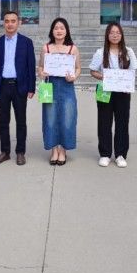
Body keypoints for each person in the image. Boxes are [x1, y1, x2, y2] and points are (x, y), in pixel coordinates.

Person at [0, 10, 36, 166]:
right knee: (3, 121)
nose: (10, 24)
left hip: (19, 86)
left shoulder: (26, 42)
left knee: (21, 121)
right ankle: (5, 152)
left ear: (19, 23)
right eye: (7, 21)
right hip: (2, 86)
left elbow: (31, 66)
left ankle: (20, 152)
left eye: (13, 21)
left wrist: (31, 88)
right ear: (4, 23)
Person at [89, 23, 137, 168]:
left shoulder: (128, 52)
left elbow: (132, 71)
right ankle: (105, 154)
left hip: (123, 92)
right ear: (107, 35)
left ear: (121, 35)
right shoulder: (100, 52)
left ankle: (120, 154)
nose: (115, 35)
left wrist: (128, 84)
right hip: (105, 91)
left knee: (122, 122)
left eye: (117, 32)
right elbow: (93, 71)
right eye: (111, 32)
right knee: (104, 122)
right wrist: (104, 76)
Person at [38, 18, 80, 166]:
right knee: (50, 119)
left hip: (67, 87)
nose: (59, 31)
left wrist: (74, 77)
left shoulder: (72, 49)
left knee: (68, 119)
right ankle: (54, 149)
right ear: (52, 31)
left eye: (62, 28)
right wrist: (42, 73)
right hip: (50, 87)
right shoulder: (46, 48)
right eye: (56, 28)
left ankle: (63, 150)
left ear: (66, 31)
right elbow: (40, 67)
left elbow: (78, 68)